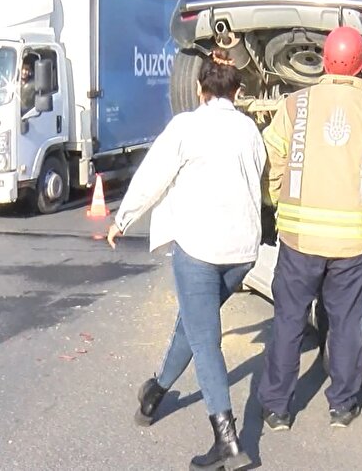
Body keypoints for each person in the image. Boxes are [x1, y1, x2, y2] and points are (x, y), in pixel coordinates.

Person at [106, 49, 266, 471]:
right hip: (243, 253)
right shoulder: (251, 130)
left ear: (200, 90)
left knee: (204, 339)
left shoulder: (186, 126)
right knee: (193, 326)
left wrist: (122, 219)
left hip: (200, 249)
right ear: (239, 91)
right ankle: (154, 393)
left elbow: (152, 176)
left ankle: (226, 441)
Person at [258, 26, 362, 431]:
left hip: (299, 239)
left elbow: (270, 160)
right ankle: (342, 405)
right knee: (344, 324)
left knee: (288, 321)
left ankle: (277, 408)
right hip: (352, 243)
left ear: (324, 60)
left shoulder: (294, 106)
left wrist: (274, 203)